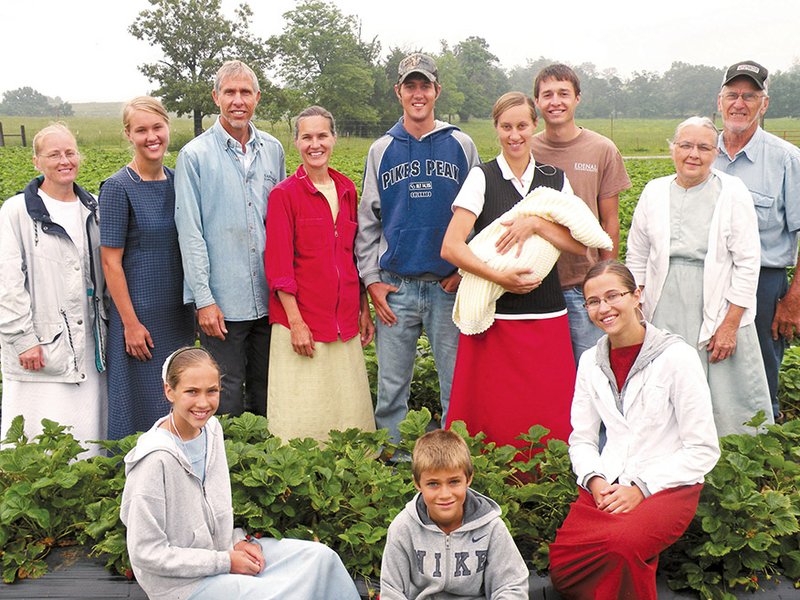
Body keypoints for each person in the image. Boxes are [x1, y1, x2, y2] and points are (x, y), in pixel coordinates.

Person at [120, 346, 361, 600]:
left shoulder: (211, 431)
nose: (203, 403)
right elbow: (146, 552)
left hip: (223, 554)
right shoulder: (154, 460)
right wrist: (225, 562)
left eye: (212, 391)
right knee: (280, 595)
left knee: (321, 559)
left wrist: (237, 541)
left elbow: (216, 510)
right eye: (191, 392)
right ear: (169, 391)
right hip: (181, 585)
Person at [549, 261, 720, 600]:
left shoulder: (677, 358)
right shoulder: (590, 362)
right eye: (593, 301)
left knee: (620, 548)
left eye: (613, 296)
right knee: (562, 568)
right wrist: (595, 480)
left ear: (636, 295)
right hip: (609, 481)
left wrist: (642, 488)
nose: (604, 308)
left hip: (668, 485)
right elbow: (581, 438)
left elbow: (702, 449)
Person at [441, 92, 583, 449]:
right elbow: (452, 246)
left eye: (522, 125)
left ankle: (546, 483)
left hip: (547, 312)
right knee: (495, 410)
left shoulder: (555, 180)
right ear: (496, 129)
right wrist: (499, 277)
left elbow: (581, 244)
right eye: (506, 127)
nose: (514, 135)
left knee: (547, 410)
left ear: (534, 126)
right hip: (496, 317)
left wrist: (535, 223)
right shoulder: (482, 177)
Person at [355, 53, 479, 445]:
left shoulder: (461, 144)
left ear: (437, 91)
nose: (418, 93)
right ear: (399, 92)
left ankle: (454, 460)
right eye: (410, 85)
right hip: (397, 287)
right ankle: (393, 460)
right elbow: (368, 222)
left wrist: (465, 270)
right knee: (391, 387)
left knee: (455, 383)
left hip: (448, 287)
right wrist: (372, 281)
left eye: (425, 85)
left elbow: (479, 213)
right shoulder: (382, 149)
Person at [627, 116, 772, 435]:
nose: (694, 154)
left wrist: (731, 324)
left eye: (704, 147)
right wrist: (635, 309)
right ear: (672, 150)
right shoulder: (654, 191)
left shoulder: (732, 192)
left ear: (715, 153)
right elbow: (637, 254)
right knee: (664, 381)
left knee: (723, 386)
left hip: (717, 302)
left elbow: (748, 261)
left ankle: (728, 456)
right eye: (686, 145)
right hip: (664, 302)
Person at [175, 60, 285, 417]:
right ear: (216, 97)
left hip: (269, 299)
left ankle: (267, 465)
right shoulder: (195, 156)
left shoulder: (273, 150)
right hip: (222, 302)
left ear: (257, 97)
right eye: (229, 92)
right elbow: (190, 232)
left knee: (269, 389)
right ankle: (230, 467)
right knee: (227, 395)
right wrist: (204, 300)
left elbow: (281, 225)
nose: (238, 100)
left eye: (245, 92)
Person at [265, 106, 375, 442]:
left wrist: (363, 308)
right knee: (303, 413)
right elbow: (279, 268)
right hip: (303, 321)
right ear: (296, 142)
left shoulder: (346, 188)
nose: (316, 144)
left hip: (343, 318)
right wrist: (296, 323)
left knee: (346, 405)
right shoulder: (284, 194)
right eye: (307, 137)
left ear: (334, 138)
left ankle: (353, 468)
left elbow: (353, 257)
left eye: (322, 135)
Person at [0, 123, 107, 455]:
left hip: (89, 342)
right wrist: (23, 339)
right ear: (36, 161)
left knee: (87, 432)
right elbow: (6, 282)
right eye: (54, 154)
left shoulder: (93, 208)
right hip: (40, 345)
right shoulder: (16, 212)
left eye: (70, 152)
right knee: (37, 432)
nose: (65, 160)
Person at [100, 97, 195, 440]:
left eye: (157, 127)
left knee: (179, 399)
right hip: (139, 317)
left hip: (178, 314)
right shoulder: (118, 187)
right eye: (141, 130)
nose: (151, 136)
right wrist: (130, 323)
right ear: (128, 134)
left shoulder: (178, 181)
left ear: (168, 129)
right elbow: (111, 262)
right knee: (142, 406)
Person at [713, 60, 800, 421]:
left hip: (765, 281)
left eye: (750, 95)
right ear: (719, 101)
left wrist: (794, 299)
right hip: (712, 274)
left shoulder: (786, 159)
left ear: (764, 104)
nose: (739, 103)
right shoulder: (702, 153)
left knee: (761, 361)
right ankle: (714, 426)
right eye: (732, 94)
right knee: (710, 354)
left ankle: (764, 432)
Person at [531, 64, 631, 363]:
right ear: (536, 101)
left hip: (582, 286)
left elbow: (610, 221)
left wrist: (606, 279)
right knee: (546, 376)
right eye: (547, 95)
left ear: (577, 98)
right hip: (536, 285)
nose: (555, 101)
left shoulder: (601, 149)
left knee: (592, 373)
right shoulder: (527, 149)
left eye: (563, 93)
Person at [380, 429, 529, 599]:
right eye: (433, 484)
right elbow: (391, 591)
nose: (445, 494)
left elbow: (512, 586)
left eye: (454, 482)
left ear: (469, 478)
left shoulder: (491, 527)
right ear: (417, 483)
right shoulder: (403, 528)